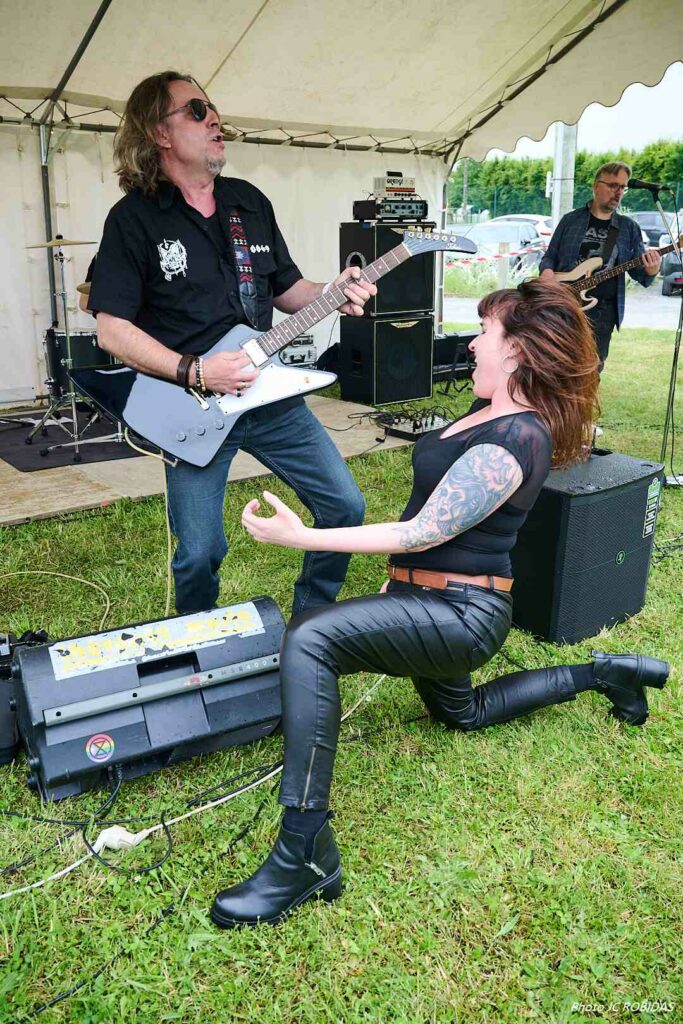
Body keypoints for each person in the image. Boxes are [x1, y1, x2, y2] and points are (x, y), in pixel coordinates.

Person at [210, 279, 669, 929]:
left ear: (515, 351)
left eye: (485, 331)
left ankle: (303, 853)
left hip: (461, 618)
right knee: (466, 712)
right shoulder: (484, 409)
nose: (474, 342)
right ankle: (605, 674)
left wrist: (300, 536)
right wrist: (396, 587)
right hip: (427, 602)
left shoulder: (518, 439)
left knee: (310, 638)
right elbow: (426, 517)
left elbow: (423, 531)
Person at [89, 71, 375, 616]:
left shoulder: (249, 202)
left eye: (213, 107)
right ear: (160, 133)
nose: (214, 117)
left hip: (269, 397)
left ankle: (310, 624)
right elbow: (112, 329)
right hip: (191, 405)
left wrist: (334, 291)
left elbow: (289, 291)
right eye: (196, 111)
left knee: (344, 505)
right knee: (199, 552)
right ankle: (197, 638)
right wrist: (196, 371)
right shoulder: (132, 220)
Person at [539, 161, 661, 372]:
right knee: (556, 363)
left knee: (591, 369)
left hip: (603, 312)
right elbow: (549, 257)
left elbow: (639, 273)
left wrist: (651, 270)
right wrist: (547, 274)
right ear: (597, 187)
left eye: (623, 187)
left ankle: (582, 405)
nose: (619, 192)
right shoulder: (570, 220)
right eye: (613, 185)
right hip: (564, 305)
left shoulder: (628, 228)